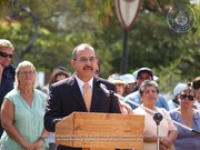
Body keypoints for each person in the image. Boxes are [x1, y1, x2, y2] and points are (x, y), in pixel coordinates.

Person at [44, 43, 121, 150]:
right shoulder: (58, 89)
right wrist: (74, 121)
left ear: (96, 62)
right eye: (83, 59)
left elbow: (117, 121)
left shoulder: (107, 87)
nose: (88, 63)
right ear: (73, 63)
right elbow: (49, 122)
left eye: (92, 59)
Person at [0, 60, 49, 150]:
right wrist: (24, 143)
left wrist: (40, 142)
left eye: (31, 72)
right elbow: (6, 124)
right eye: (24, 72)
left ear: (34, 76)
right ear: (18, 76)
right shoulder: (10, 98)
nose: (28, 75)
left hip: (38, 147)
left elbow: (48, 122)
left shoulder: (43, 97)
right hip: (14, 147)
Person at [133, 80, 177, 150]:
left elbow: (173, 130)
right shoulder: (136, 113)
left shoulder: (163, 112)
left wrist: (166, 144)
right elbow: (137, 135)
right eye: (147, 92)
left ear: (157, 95)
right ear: (141, 96)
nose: (151, 94)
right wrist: (160, 139)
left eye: (153, 91)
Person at [46, 69, 71, 150]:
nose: (60, 84)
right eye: (57, 81)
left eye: (64, 81)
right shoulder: (46, 100)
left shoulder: (74, 101)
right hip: (50, 142)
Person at [169, 85, 200, 150]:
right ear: (178, 98)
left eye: (190, 97)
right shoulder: (170, 115)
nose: (186, 99)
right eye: (183, 96)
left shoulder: (199, 115)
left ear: (194, 100)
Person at [0, 39, 15, 136]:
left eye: (10, 56)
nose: (7, 58)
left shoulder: (13, 71)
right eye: (4, 55)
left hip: (6, 120)